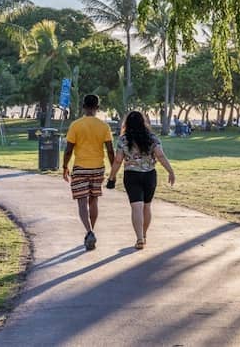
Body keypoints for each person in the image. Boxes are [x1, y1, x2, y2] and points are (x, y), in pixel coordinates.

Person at [107, 111, 175, 250]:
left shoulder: (123, 139)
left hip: (131, 176)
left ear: (127, 124)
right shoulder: (152, 138)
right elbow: (160, 156)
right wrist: (170, 171)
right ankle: (144, 235)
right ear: (143, 122)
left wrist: (112, 176)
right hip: (149, 175)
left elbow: (118, 160)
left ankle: (139, 238)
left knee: (136, 207)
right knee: (147, 206)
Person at [63, 95, 115, 251]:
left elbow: (69, 149)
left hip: (80, 168)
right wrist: (114, 169)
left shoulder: (76, 125)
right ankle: (92, 230)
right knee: (94, 200)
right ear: (97, 108)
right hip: (98, 167)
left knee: (81, 201)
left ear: (84, 107)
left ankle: (89, 231)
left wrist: (64, 166)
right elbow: (110, 150)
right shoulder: (104, 126)